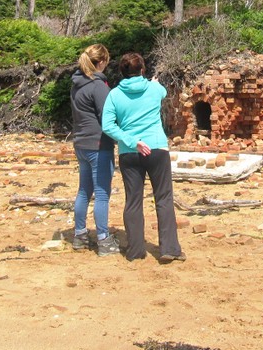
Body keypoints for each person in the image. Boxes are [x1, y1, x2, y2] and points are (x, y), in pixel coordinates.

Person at [101, 52, 184, 264]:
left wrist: (130, 140)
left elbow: (108, 125)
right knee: (163, 198)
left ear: (121, 72)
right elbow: (162, 91)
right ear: (143, 69)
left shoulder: (114, 95)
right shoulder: (154, 88)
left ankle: (136, 250)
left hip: (130, 151)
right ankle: (170, 249)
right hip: (156, 147)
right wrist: (152, 82)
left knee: (133, 201)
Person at [70, 44, 119, 257]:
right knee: (101, 194)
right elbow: (107, 117)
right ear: (100, 62)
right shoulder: (98, 86)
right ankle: (103, 239)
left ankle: (80, 235)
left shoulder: (76, 84)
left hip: (80, 143)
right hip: (98, 145)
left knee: (84, 191)